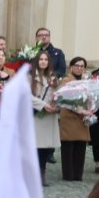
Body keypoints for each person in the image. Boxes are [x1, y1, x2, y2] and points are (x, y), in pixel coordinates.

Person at [59, 57, 93, 181]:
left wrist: (91, 105)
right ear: (71, 66)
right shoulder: (66, 80)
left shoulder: (86, 81)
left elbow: (90, 97)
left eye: (82, 66)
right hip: (69, 116)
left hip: (82, 117)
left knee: (81, 146)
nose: (79, 68)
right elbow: (65, 100)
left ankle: (78, 174)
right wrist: (80, 110)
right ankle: (68, 175)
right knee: (68, 146)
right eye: (77, 65)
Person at [30, 50, 61, 186]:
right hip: (36, 116)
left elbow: (57, 95)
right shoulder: (30, 76)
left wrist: (56, 106)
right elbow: (26, 95)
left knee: (46, 148)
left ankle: (42, 173)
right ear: (37, 61)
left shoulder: (53, 78)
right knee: (35, 146)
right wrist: (43, 105)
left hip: (49, 117)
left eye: (46, 59)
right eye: (41, 59)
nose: (43, 61)